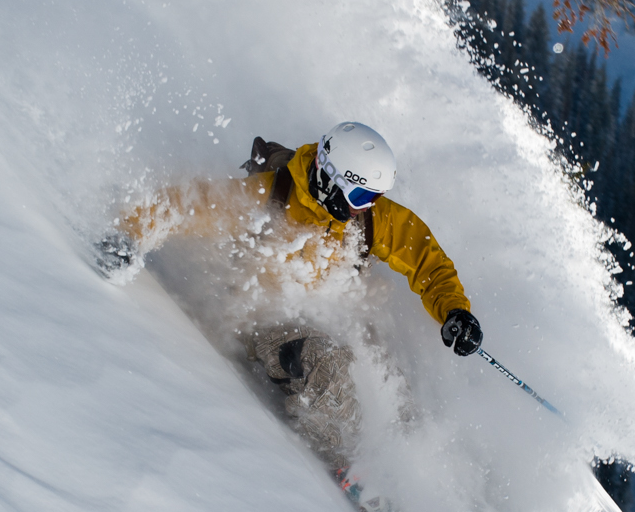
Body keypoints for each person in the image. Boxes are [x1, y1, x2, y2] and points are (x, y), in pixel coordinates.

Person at [97, 122, 483, 465]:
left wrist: (454, 312)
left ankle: (432, 482)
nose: (368, 207)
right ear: (332, 178)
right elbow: (188, 205)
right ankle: (356, 470)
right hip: (269, 321)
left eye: (373, 197)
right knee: (326, 367)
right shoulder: (267, 198)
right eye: (362, 196)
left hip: (335, 317)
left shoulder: (368, 219)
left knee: (392, 390)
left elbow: (425, 260)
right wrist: (130, 232)